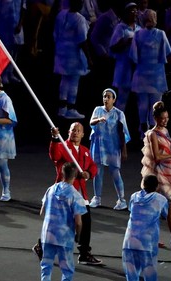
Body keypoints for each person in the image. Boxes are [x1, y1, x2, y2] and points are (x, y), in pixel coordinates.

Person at [49, 122, 102, 265]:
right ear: (68, 132)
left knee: (86, 223)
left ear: (83, 134)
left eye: (79, 131)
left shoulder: (85, 150)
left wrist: (89, 174)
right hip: (65, 194)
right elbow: (54, 155)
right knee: (60, 224)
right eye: (73, 130)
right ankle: (42, 246)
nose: (76, 133)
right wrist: (54, 138)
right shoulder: (62, 146)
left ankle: (84, 253)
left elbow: (93, 166)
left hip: (81, 194)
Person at [141, 101, 171, 249]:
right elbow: (157, 156)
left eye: (167, 118)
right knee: (155, 206)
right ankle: (154, 237)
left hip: (170, 171)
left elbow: (168, 147)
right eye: (163, 118)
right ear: (155, 118)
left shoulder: (165, 131)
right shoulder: (152, 134)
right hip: (160, 173)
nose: (165, 120)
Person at [39, 162, 87, 281]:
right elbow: (78, 222)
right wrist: (78, 235)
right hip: (64, 237)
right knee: (67, 269)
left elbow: (42, 212)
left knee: (46, 266)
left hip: (48, 234)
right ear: (75, 176)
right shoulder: (75, 195)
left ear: (62, 173)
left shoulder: (50, 189)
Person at [129, 9, 171, 137]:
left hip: (142, 73)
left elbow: (133, 55)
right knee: (156, 104)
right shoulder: (161, 34)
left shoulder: (137, 34)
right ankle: (155, 132)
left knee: (142, 104)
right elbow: (167, 51)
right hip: (157, 75)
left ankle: (144, 130)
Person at [89, 88, 131, 210]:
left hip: (113, 147)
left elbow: (122, 132)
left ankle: (122, 200)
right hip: (99, 146)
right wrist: (99, 119)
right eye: (104, 96)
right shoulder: (97, 110)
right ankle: (97, 198)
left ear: (114, 99)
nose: (106, 99)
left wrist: (124, 150)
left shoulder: (119, 113)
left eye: (108, 97)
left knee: (115, 172)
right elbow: (91, 122)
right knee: (97, 172)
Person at [122, 174, 168, 281]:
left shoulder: (134, 196)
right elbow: (165, 215)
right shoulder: (161, 199)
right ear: (157, 187)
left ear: (143, 184)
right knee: (150, 276)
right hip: (147, 244)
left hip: (129, 243)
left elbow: (132, 210)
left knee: (131, 277)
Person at [54, 0, 90, 119]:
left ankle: (62, 109)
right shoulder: (79, 19)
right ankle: (70, 108)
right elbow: (82, 40)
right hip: (74, 55)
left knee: (64, 80)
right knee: (74, 82)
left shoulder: (61, 14)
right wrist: (89, 58)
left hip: (61, 52)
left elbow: (55, 33)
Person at [109, 2, 141, 112]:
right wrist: (126, 41)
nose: (135, 13)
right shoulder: (120, 28)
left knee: (139, 98)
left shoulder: (139, 29)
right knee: (123, 96)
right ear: (126, 13)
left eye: (136, 11)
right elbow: (113, 47)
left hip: (137, 67)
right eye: (132, 11)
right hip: (124, 66)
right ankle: (116, 123)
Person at [0, 0, 26, 84]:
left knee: (15, 49)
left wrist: (20, 24)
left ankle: (11, 72)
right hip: (4, 25)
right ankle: (3, 74)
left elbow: (24, 8)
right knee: (5, 49)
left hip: (16, 25)